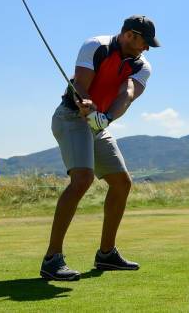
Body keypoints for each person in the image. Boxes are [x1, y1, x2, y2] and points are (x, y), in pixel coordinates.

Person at [40, 15, 160, 281]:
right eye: (144, 42)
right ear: (130, 34)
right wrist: (85, 102)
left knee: (122, 183)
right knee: (82, 179)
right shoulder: (96, 46)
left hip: (98, 125)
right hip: (71, 116)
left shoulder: (142, 66)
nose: (147, 48)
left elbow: (127, 94)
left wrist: (105, 118)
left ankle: (106, 254)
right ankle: (52, 259)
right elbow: (81, 83)